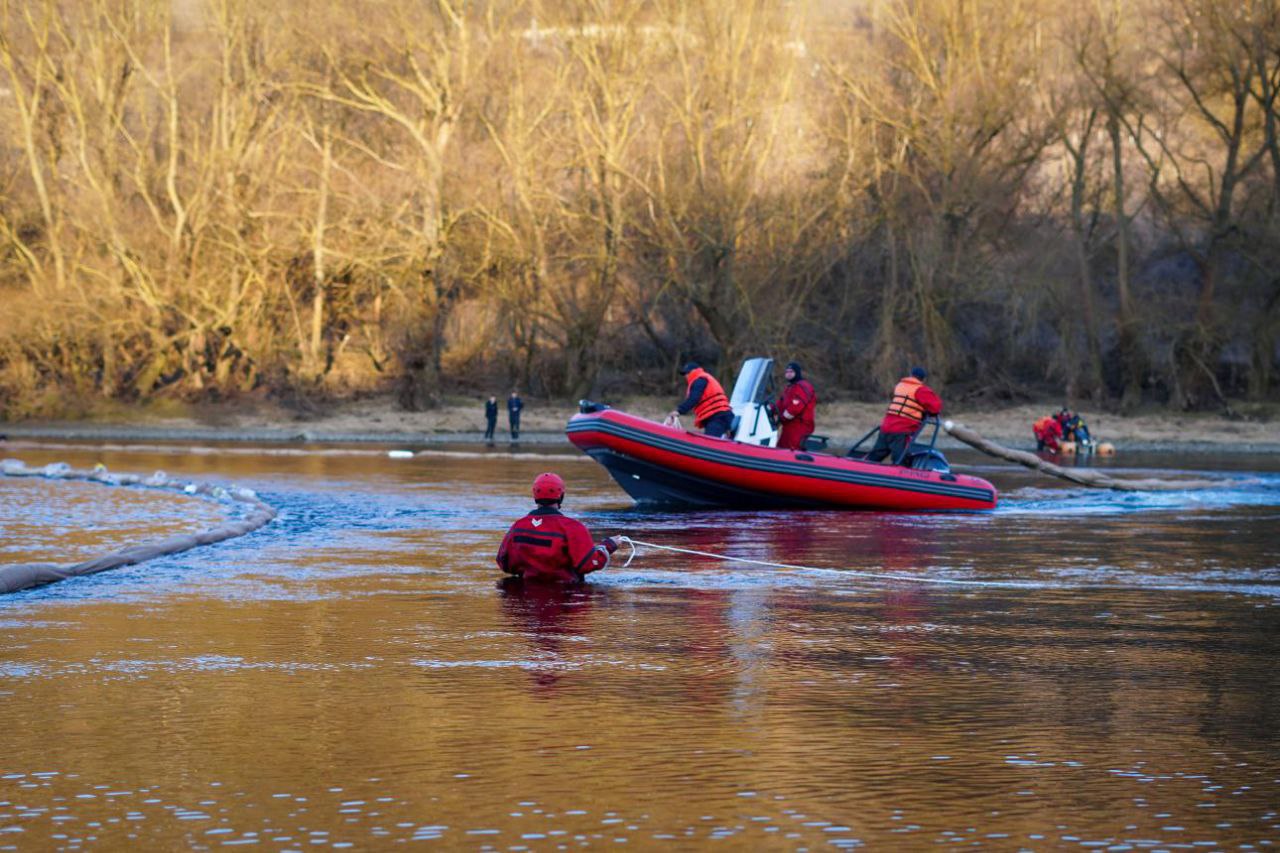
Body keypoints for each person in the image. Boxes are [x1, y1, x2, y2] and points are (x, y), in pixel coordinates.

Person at [497, 473, 619, 584]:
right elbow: (589, 564)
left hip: (524, 594)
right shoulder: (573, 527)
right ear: (561, 496)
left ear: (535, 495)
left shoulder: (518, 526)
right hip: (564, 593)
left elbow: (503, 562)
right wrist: (609, 545)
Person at [866, 366, 942, 464]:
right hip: (902, 430)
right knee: (901, 460)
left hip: (886, 427)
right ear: (923, 379)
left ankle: (860, 468)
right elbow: (936, 407)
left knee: (875, 456)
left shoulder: (899, 386)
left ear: (911, 375)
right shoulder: (921, 390)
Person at [669, 361, 734, 438]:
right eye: (684, 374)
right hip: (722, 415)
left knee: (710, 442)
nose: (686, 376)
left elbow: (693, 399)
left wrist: (679, 411)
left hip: (717, 417)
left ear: (694, 371)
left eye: (687, 373)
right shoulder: (704, 378)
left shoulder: (699, 380)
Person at [775, 361, 817, 451]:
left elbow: (795, 407)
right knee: (781, 448)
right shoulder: (790, 388)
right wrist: (770, 408)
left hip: (799, 426)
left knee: (791, 449)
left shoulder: (802, 386)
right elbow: (780, 404)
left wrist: (782, 418)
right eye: (787, 372)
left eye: (791, 372)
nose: (788, 374)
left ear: (797, 373)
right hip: (789, 426)